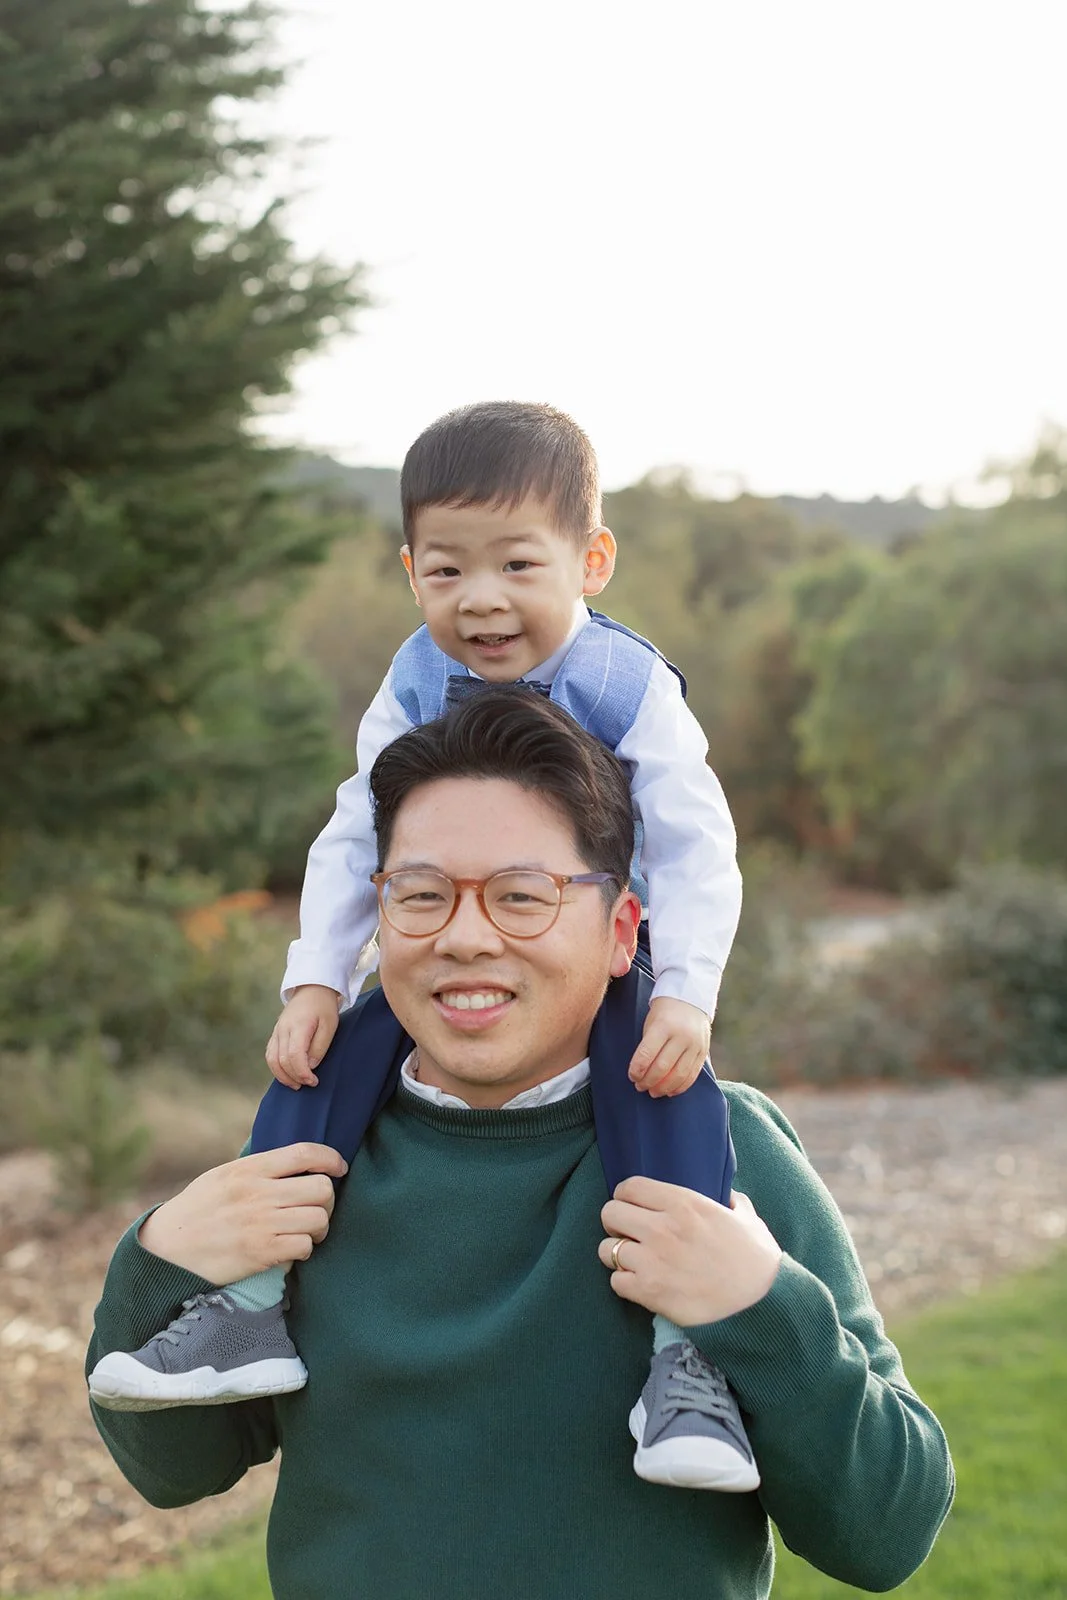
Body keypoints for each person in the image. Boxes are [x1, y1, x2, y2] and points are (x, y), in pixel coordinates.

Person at [87, 695, 954, 1600]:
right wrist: (157, 1263)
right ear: (375, 917)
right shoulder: (305, 1166)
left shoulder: (720, 1160)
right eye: (420, 896)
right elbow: (172, 1472)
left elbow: (885, 1534)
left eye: (521, 897)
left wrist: (758, 1308)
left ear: (623, 931)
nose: (464, 937)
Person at [89, 400, 756, 1491]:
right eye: (445, 572)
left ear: (590, 560)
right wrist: (315, 972)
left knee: (663, 1098)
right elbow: (358, 831)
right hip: (450, 959)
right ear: (409, 571)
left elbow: (694, 848)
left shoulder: (629, 689)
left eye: (514, 565)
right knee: (314, 1063)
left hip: (608, 965)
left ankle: (691, 1364)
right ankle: (245, 1311)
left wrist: (683, 991)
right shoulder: (408, 684)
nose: (479, 600)